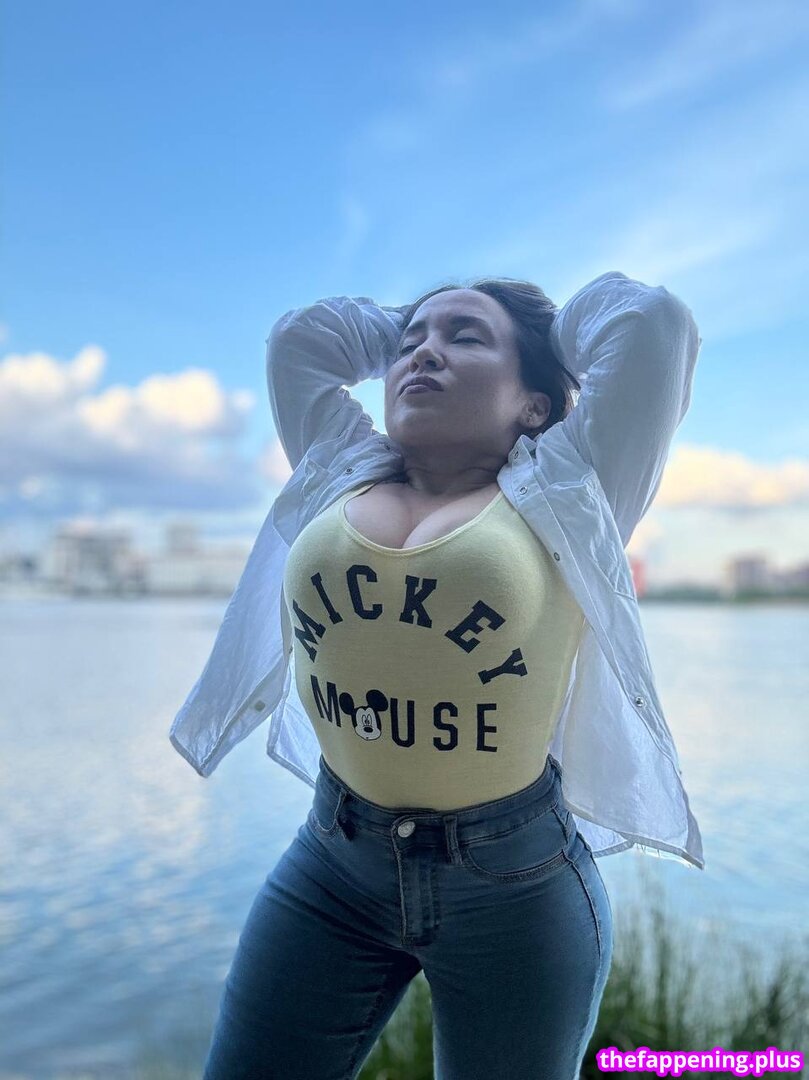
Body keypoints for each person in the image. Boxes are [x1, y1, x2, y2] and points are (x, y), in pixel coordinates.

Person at [176, 271, 704, 1079]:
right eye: (408, 344)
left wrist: (539, 334)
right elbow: (300, 342)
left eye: (464, 338)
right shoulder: (338, 463)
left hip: (511, 884)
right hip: (333, 861)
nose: (422, 353)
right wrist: (419, 329)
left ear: (534, 404)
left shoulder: (573, 483)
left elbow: (651, 321)